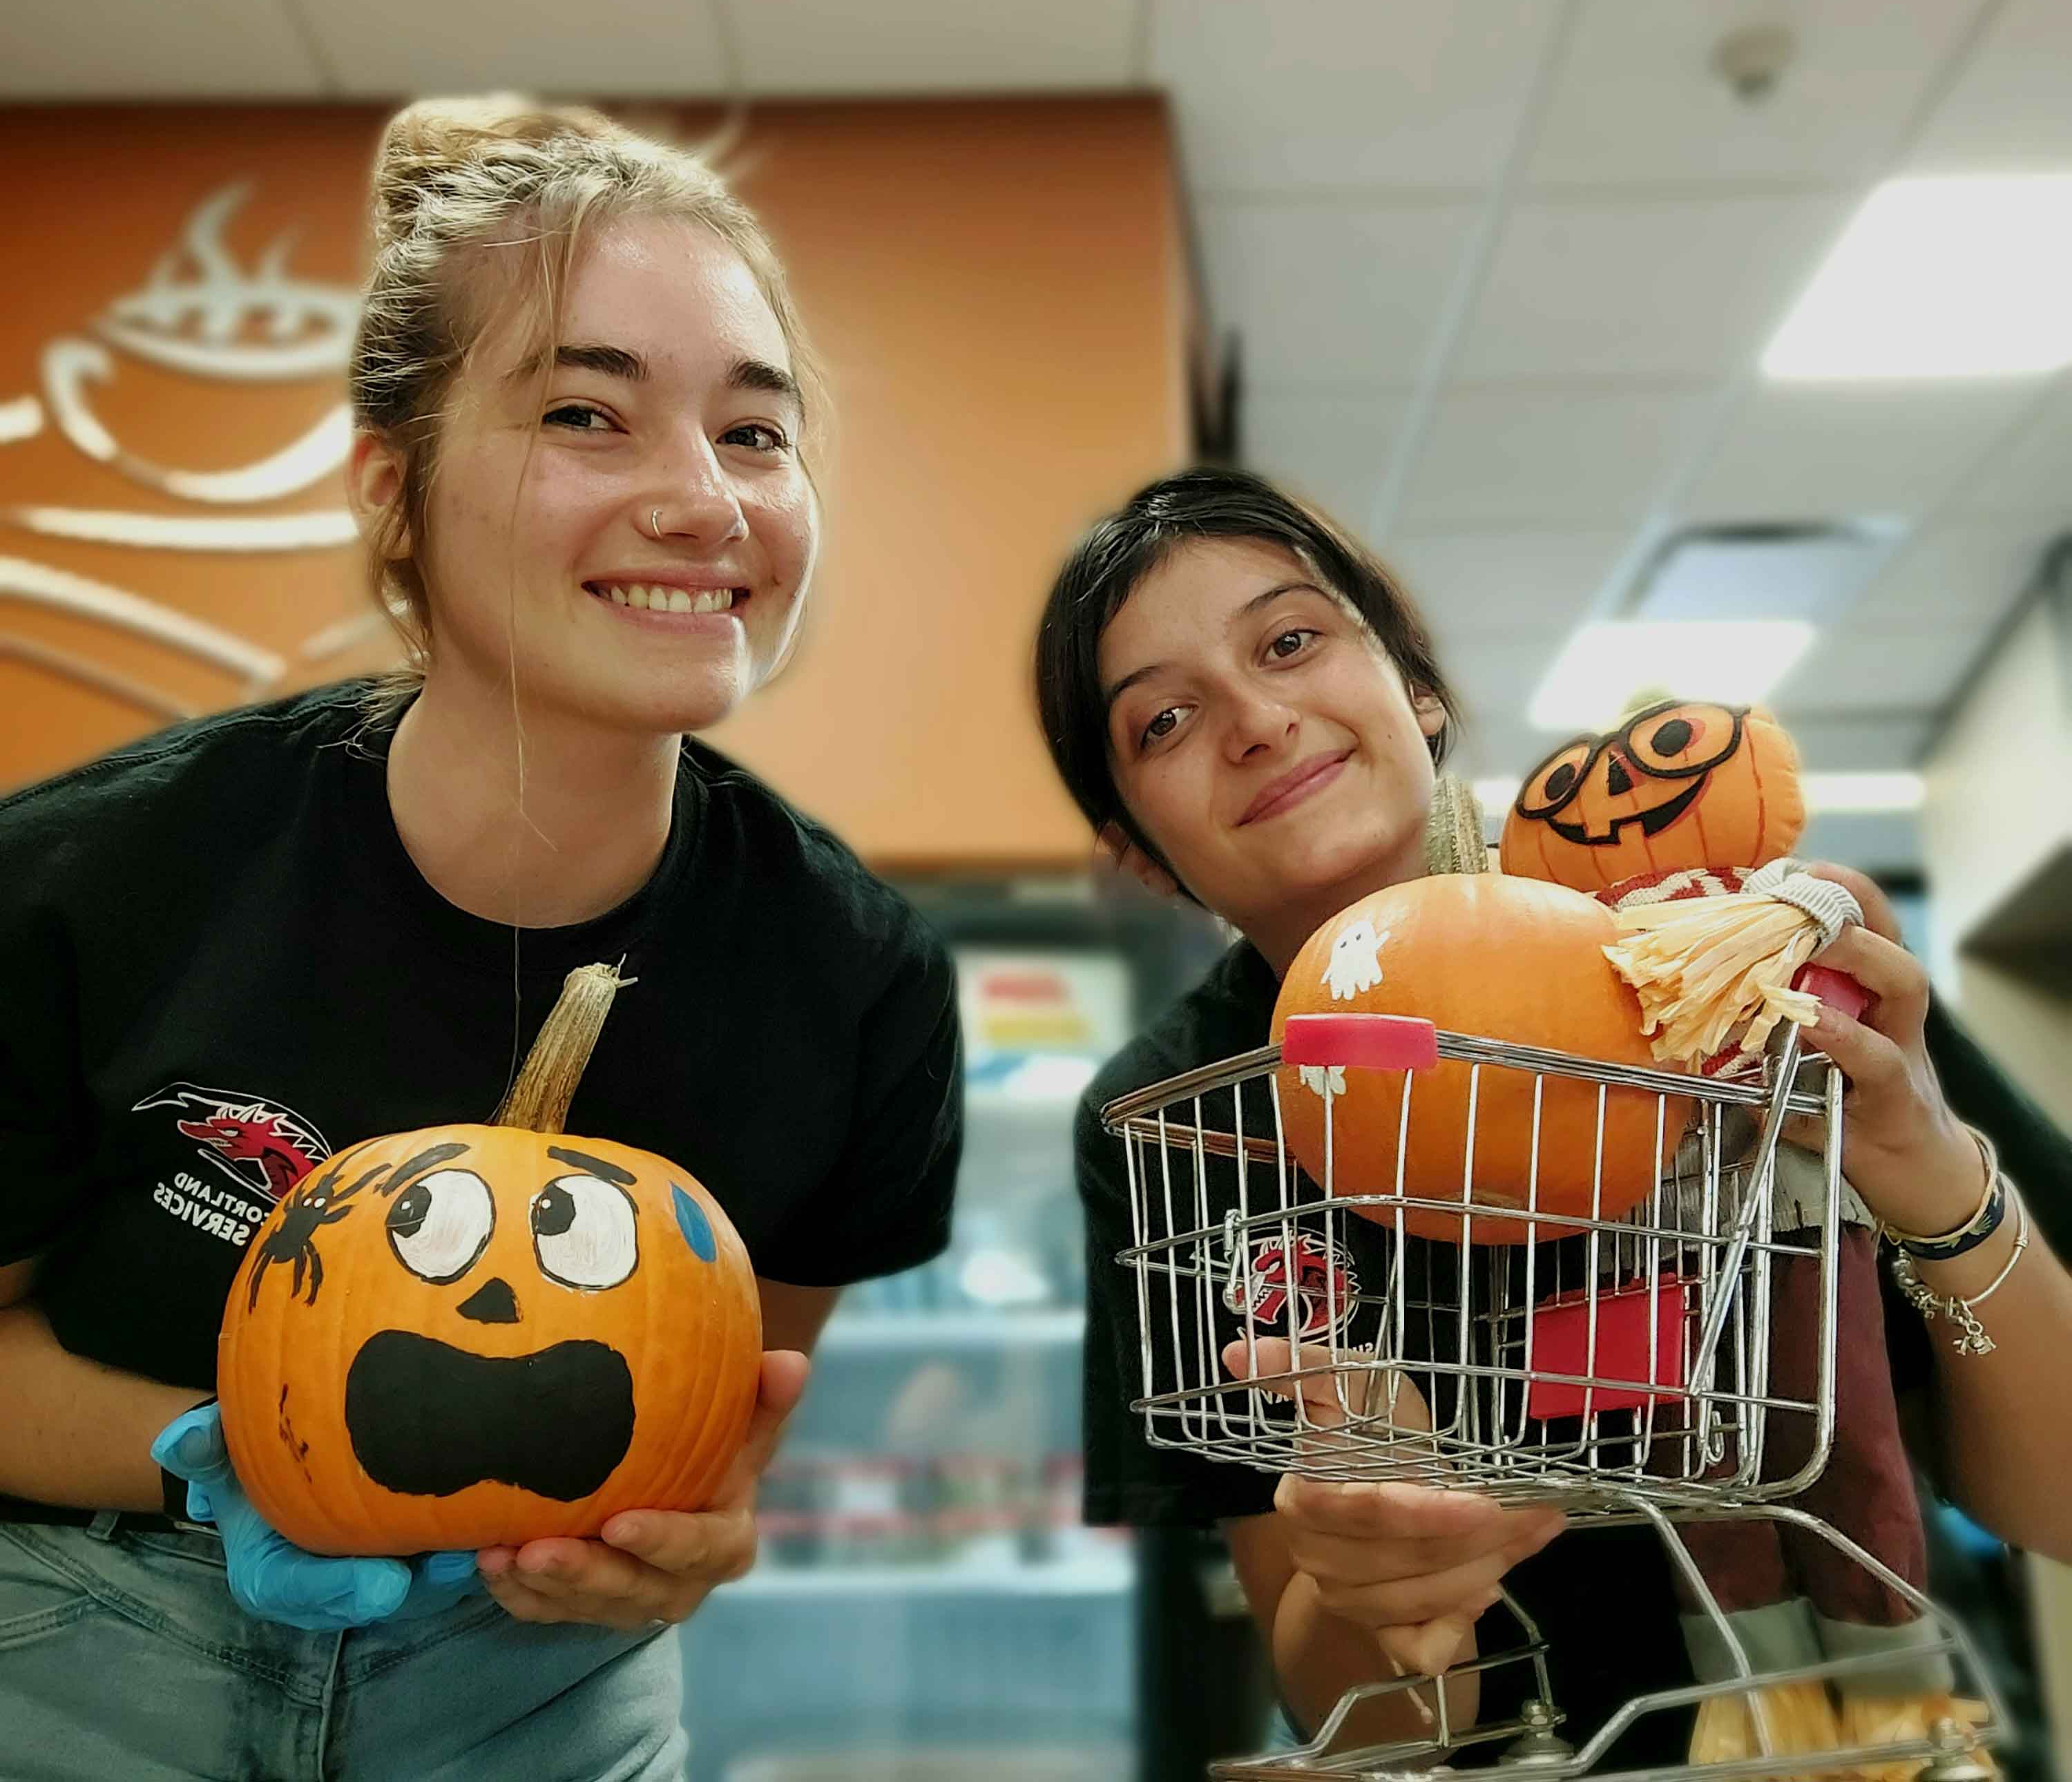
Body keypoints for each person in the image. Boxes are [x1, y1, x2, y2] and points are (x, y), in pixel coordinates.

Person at [0, 98, 963, 1781]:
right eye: (589, 412)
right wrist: (230, 1453)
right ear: (398, 483)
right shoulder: (90, 879)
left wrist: (694, 1536)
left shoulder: (854, 978)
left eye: (755, 433)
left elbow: (710, 1418)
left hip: (533, 1692)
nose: (702, 500)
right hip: (80, 1644)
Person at [1033, 466, 2072, 1764]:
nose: (1255, 718)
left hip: (1879, 1737)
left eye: (1291, 640)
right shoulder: (1174, 1120)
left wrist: (1930, 1171)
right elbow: (1353, 1710)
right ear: (1140, 850)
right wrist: (1386, 1574)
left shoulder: (1719, 934)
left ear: (1418, 686)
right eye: (1165, 721)